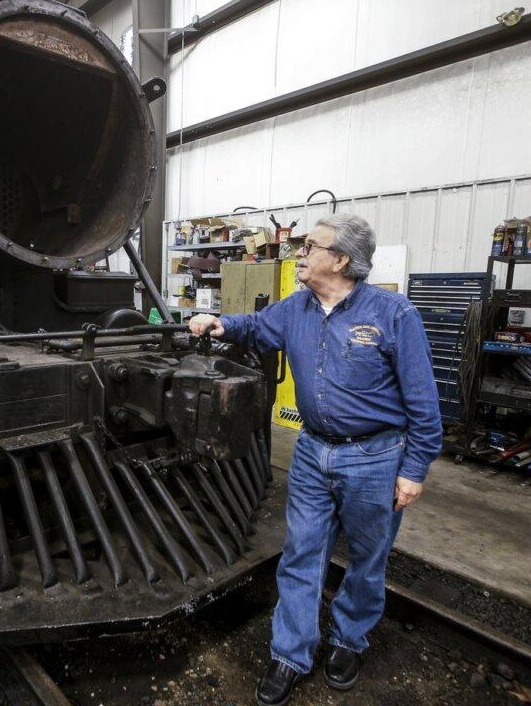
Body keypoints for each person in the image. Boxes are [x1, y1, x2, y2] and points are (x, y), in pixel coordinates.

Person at [188, 213, 441, 705]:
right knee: (302, 552)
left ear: (342, 259)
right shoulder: (297, 308)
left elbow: (424, 404)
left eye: (311, 246)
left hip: (375, 458)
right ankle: (290, 653)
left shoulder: (393, 314)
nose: (300, 253)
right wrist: (219, 323)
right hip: (312, 451)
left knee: (368, 560)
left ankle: (349, 640)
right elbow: (256, 326)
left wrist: (414, 470)